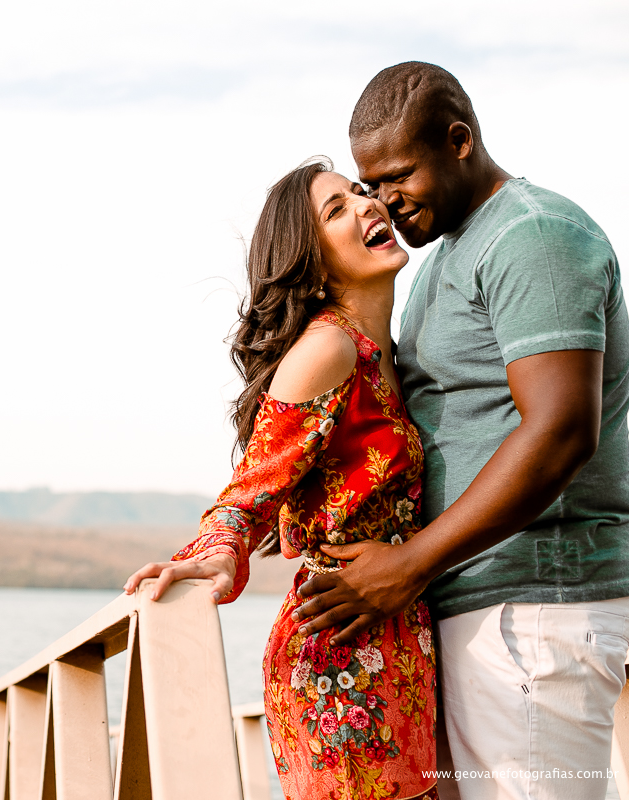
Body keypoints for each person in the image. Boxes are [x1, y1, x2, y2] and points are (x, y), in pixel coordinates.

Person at [292, 62, 629, 800]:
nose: (384, 200)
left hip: (533, 611)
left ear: (459, 141)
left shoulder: (533, 237)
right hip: (474, 607)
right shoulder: (448, 254)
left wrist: (409, 564)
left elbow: (561, 431)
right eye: (370, 183)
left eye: (398, 175)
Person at [125, 158, 438, 800]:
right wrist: (217, 555)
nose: (368, 204)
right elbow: (249, 491)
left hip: (399, 637)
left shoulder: (390, 352)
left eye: (359, 192)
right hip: (339, 659)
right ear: (313, 265)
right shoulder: (329, 349)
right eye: (337, 210)